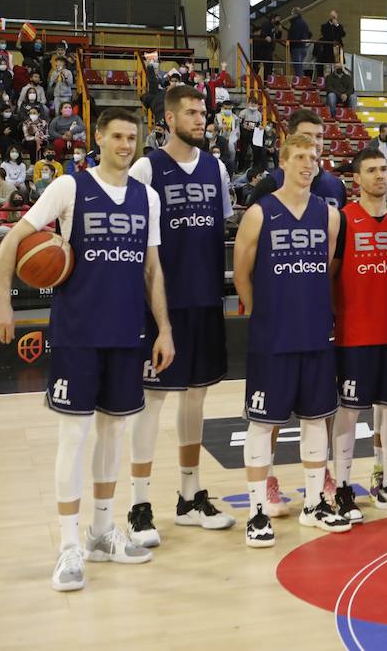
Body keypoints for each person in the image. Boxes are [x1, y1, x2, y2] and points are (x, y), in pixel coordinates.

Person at [0, 108, 173, 592]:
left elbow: (152, 269)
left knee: (114, 434)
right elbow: (13, 243)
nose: (125, 144)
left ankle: (101, 532)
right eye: (117, 136)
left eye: (132, 137)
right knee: (75, 437)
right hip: (77, 334)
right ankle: (69, 544)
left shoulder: (146, 197)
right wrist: (3, 300)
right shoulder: (70, 187)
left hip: (126, 333)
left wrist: (164, 328)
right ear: (99, 138)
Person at [124, 86, 236, 548]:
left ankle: (189, 497)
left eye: (202, 112)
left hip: (206, 301)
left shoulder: (217, 168)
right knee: (153, 403)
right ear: (168, 119)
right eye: (191, 113)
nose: (200, 119)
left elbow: (221, 228)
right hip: (162, 307)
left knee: (195, 401)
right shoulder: (146, 168)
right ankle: (139, 504)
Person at [232, 132, 348, 547]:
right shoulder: (260, 213)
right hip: (273, 336)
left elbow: (328, 271)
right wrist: (262, 313)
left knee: (317, 420)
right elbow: (241, 274)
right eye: (299, 156)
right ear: (283, 162)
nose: (308, 163)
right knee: (262, 424)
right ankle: (256, 512)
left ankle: (315, 504)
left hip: (316, 334)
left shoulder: (329, 215)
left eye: (314, 156)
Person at [330, 147, 387, 520]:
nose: (380, 176)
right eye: (372, 171)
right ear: (356, 178)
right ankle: (343, 487)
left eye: (384, 170)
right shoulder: (344, 219)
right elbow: (331, 274)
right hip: (355, 332)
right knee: (349, 413)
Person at [248, 109, 347, 208]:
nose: (314, 142)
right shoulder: (268, 187)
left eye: (319, 136)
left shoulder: (337, 186)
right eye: (306, 136)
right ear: (290, 139)